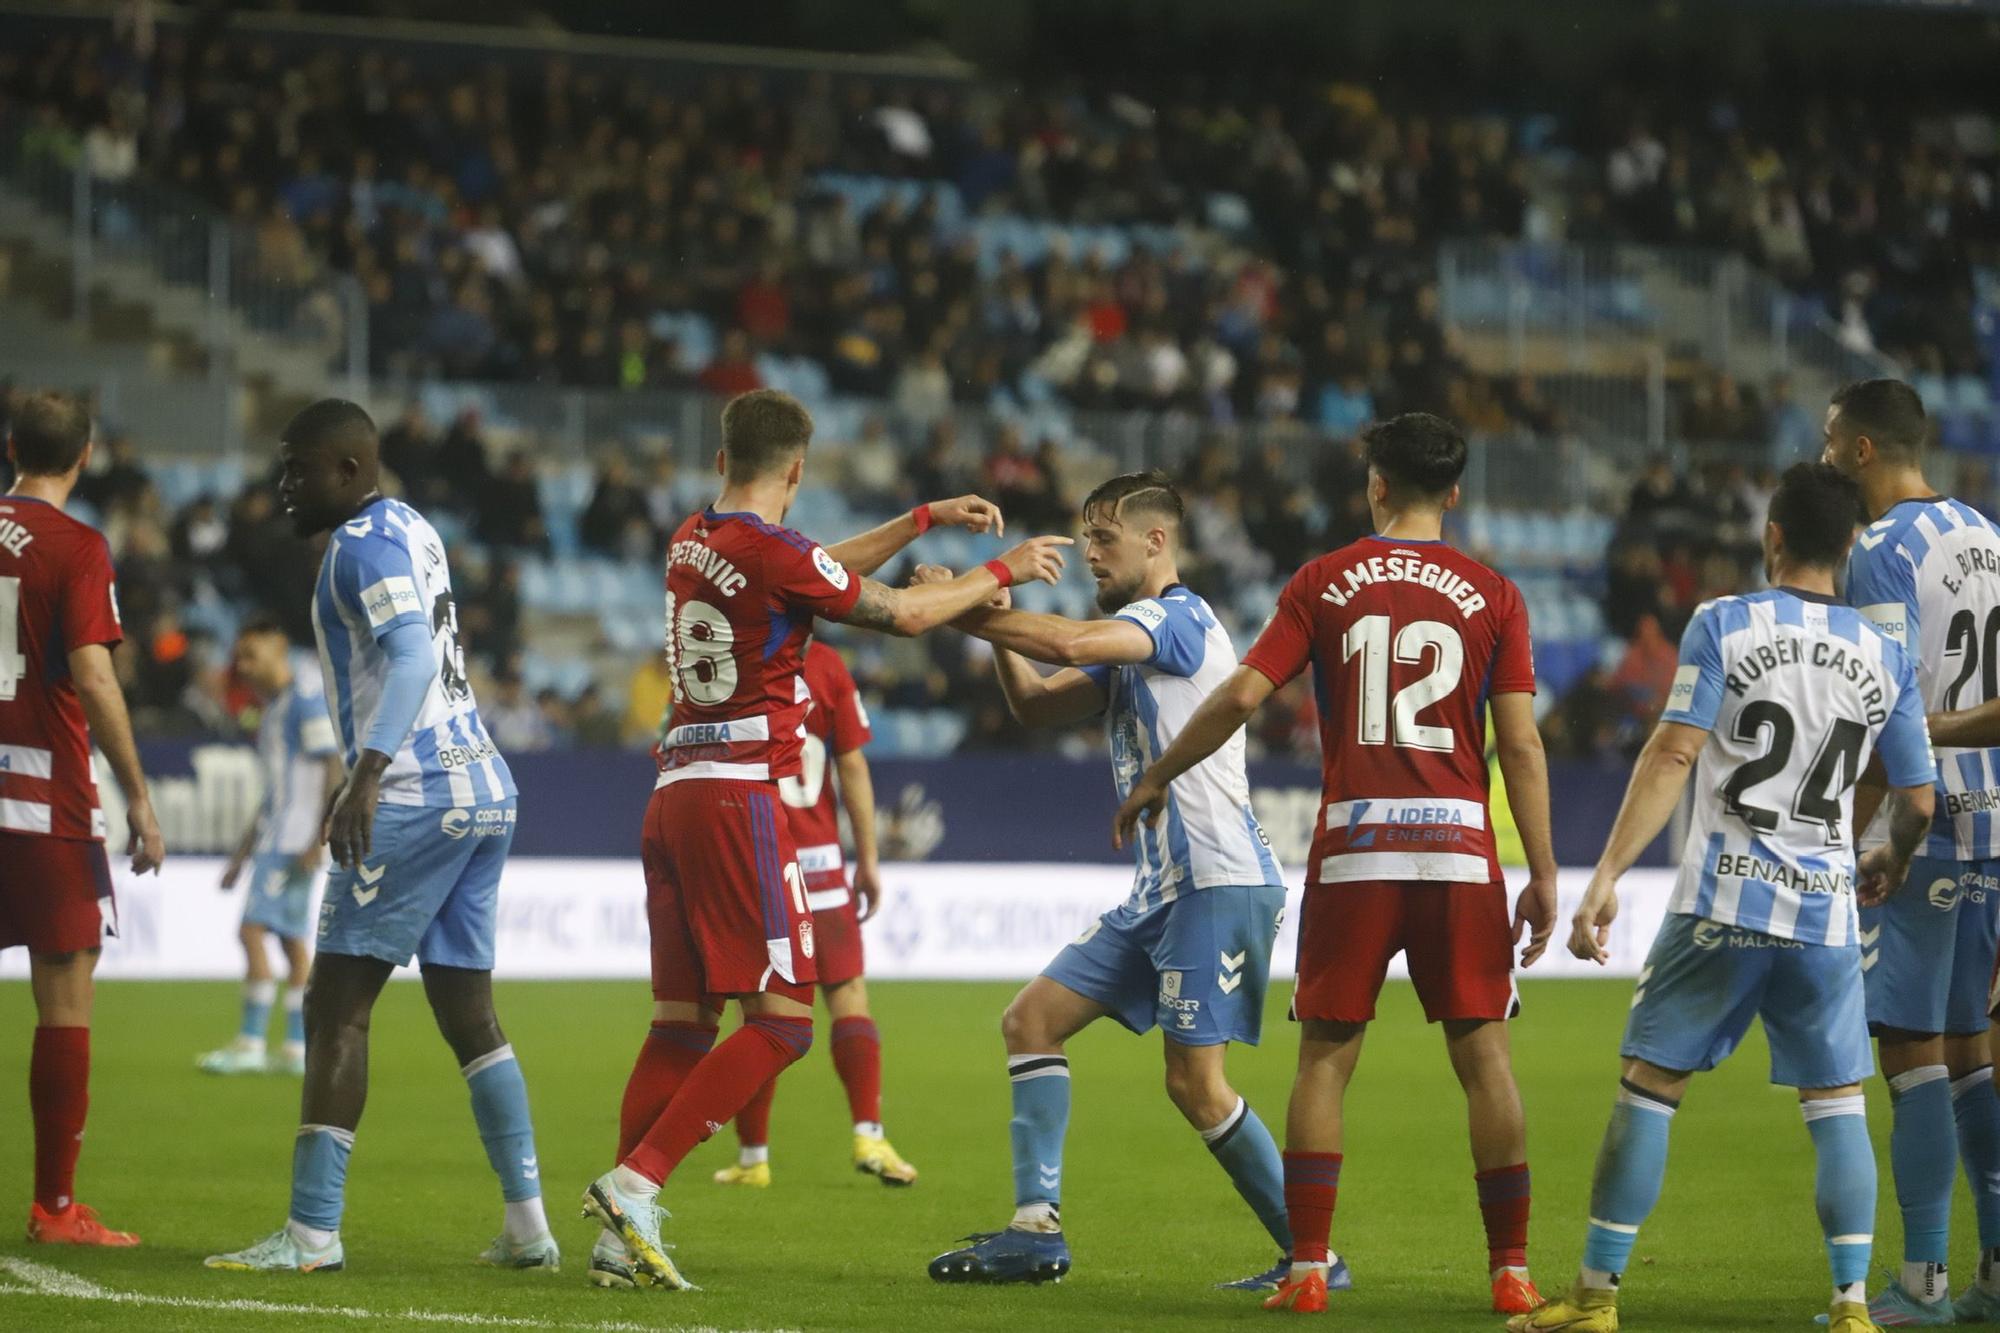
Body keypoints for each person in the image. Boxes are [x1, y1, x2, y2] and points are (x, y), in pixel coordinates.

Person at [582, 388, 1071, 1291]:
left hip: (670, 795)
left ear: (724, 459)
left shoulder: (696, 537)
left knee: (681, 1024)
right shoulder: (774, 555)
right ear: (799, 471)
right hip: (738, 798)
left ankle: (618, 1232)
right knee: (782, 1022)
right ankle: (636, 1181)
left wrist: (921, 520)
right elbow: (908, 615)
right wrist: (1000, 570)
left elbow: (815, 568)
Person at [1112, 414, 1560, 1316]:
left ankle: (1308, 1265)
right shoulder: (1495, 594)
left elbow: (1242, 694)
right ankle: (1510, 1269)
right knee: (1487, 1063)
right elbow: (1518, 741)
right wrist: (1544, 872)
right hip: (1458, 850)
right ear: (1456, 492)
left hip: (1356, 848)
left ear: (1377, 485)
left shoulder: (1326, 580)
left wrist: (1159, 771)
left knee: (1324, 1061)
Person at [1514, 462, 1938, 1333]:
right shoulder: (1886, 651)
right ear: (1851, 548)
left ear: (1771, 536)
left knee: (1650, 1085)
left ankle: (1596, 1297)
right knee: (1837, 1103)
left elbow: (1673, 753)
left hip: (1724, 905)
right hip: (1824, 914)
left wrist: (1605, 879)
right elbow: (1919, 796)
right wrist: (1890, 853)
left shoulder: (1725, 621)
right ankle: (1853, 1303)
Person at [919, 470, 1301, 1292]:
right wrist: (985, 626)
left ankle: (1313, 1256)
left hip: (1218, 881)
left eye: (1104, 538)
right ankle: (1035, 1231)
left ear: (1155, 541)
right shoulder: (1134, 639)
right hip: (1161, 890)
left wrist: (966, 599)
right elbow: (1037, 704)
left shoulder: (1174, 617)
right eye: (1085, 537)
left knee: (1196, 1084)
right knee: (1031, 1021)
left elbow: (1063, 643)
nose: (1090, 553)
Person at [205, 400, 557, 1275]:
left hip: (413, 792)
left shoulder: (358, 547)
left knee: (334, 1007)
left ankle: (313, 1234)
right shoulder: (414, 527)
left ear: (351, 471)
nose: (283, 485)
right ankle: (528, 1228)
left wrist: (364, 773)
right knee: (468, 1012)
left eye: (298, 468)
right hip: (483, 786)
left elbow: (406, 654)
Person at [1822, 377, 2000, 1325]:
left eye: (1827, 440)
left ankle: (1923, 1280)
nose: (1819, 459)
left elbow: (1884, 708)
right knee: (1975, 1046)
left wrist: (1874, 838)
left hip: (1922, 829)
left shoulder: (1881, 551)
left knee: (1911, 1050)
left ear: (1860, 450)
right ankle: (1993, 1274)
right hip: (1997, 822)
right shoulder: (1990, 534)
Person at [0, 390, 165, 1247]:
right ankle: (55, 1208)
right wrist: (137, 790)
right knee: (64, 993)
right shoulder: (75, 546)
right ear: (86, 455)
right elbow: (95, 679)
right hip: (40, 801)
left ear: (10, 446)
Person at [713, 637, 919, 1189]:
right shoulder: (827, 664)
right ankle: (869, 1134)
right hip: (825, 867)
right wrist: (868, 859)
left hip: (761, 864)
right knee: (848, 996)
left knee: (758, 1015)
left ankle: (753, 1158)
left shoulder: (738, 659)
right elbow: (851, 765)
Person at [197, 617, 340, 1076]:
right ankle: (297, 1049)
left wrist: (322, 831)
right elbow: (274, 793)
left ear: (279, 648)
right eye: (239, 656)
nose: (243, 664)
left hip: (294, 840)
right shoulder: (276, 708)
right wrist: (241, 856)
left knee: (252, 931)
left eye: (251, 654)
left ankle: (251, 1043)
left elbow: (332, 763)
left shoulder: (304, 701)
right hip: (281, 838)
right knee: (294, 943)